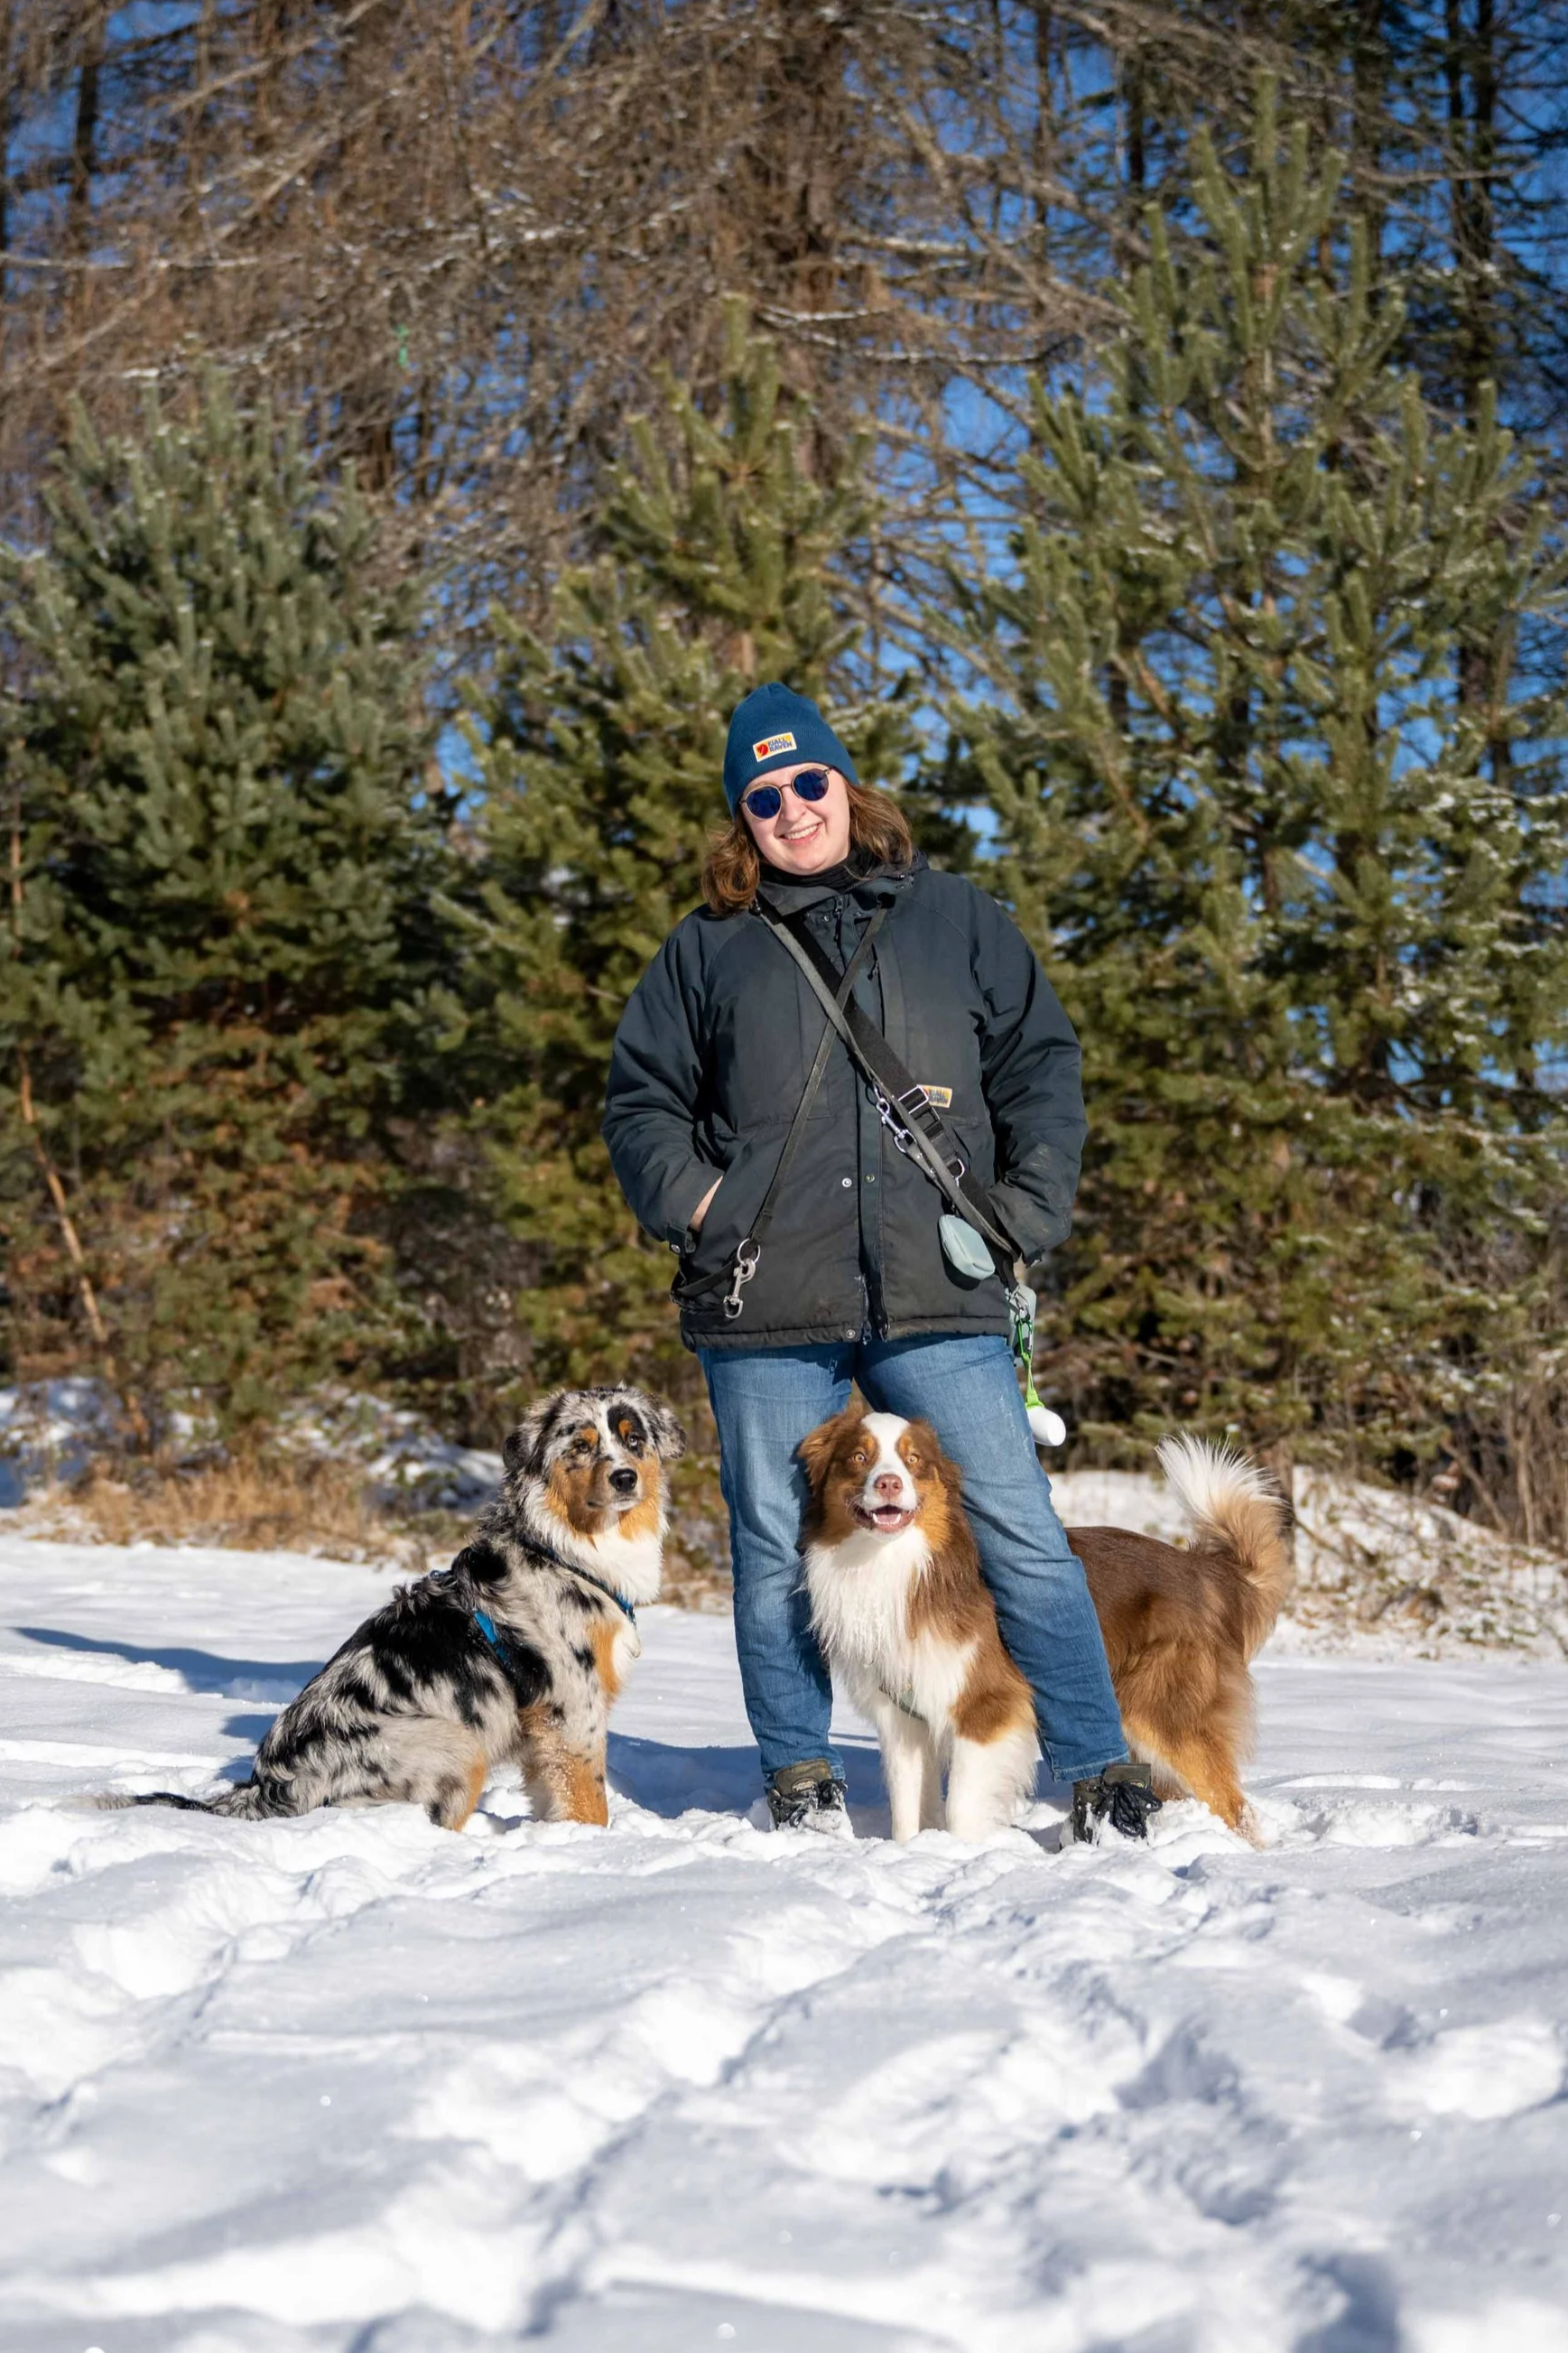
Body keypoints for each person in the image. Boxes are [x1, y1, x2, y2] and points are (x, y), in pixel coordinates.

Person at [602, 682, 1157, 1841]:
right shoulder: (708, 948)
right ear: (740, 820)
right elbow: (638, 1100)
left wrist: (1024, 1211)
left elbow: (1042, 1067)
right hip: (765, 1292)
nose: (794, 808)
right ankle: (801, 1772)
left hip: (940, 1283)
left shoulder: (954, 916)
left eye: (810, 781)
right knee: (769, 1545)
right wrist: (701, 1201)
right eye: (765, 795)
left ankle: (1101, 1765)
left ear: (846, 784)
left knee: (1017, 1524)